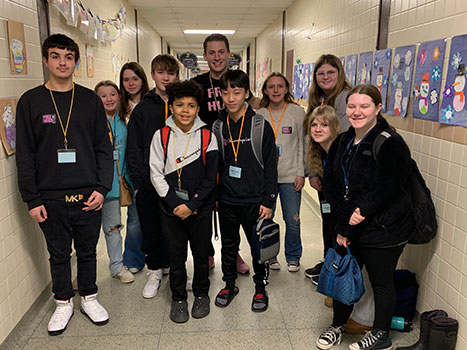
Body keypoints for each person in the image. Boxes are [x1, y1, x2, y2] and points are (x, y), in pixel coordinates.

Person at [16, 34, 113, 335]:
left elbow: (103, 148)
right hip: (49, 195)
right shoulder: (30, 101)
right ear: (45, 60)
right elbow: (25, 153)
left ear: (76, 62)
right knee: (58, 253)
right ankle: (62, 302)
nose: (62, 62)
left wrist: (102, 188)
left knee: (87, 251)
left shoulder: (90, 100)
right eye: (55, 56)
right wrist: (32, 199)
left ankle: (89, 297)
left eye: (68, 57)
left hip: (88, 192)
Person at [316, 84, 414, 350]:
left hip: (384, 227)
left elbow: (387, 187)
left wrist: (358, 215)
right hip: (350, 223)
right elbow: (332, 181)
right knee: (342, 273)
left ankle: (380, 334)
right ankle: (338, 324)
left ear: (378, 109)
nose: (356, 112)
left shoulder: (390, 142)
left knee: (381, 281)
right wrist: (345, 220)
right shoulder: (343, 140)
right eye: (351, 106)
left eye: (364, 106)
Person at [149, 80, 218, 323]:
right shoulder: (161, 136)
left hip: (200, 208)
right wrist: (173, 204)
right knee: (176, 256)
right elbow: (156, 174)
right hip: (170, 209)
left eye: (191, 105)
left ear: (198, 108)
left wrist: (192, 205)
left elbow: (211, 178)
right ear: (171, 107)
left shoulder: (208, 136)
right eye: (180, 105)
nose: (185, 110)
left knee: (201, 255)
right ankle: (178, 298)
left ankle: (201, 294)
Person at [192, 33, 259, 274]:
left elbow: (254, 105)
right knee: (205, 207)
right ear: (205, 56)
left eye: (221, 52)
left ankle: (235, 253)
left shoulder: (237, 82)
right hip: (202, 156)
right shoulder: (198, 84)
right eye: (212, 52)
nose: (217, 57)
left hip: (233, 153)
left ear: (229, 54)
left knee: (232, 210)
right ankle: (208, 252)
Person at [213, 70, 277, 313]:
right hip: (227, 199)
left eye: (237, 92)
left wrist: (269, 200)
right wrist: (216, 197)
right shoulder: (219, 126)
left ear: (247, 94)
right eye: (226, 92)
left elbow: (271, 165)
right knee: (229, 246)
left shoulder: (260, 125)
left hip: (255, 199)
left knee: (257, 246)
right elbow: (216, 165)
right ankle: (229, 284)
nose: (231, 98)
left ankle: (260, 287)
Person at [126, 54, 179, 298]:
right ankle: (155, 270)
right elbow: (134, 148)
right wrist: (138, 182)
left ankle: (176, 269)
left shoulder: (184, 103)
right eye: (160, 72)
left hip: (176, 182)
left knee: (176, 230)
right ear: (153, 75)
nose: (166, 77)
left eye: (170, 73)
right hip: (148, 183)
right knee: (151, 229)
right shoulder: (143, 110)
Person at [304, 53, 352, 283]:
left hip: (339, 175)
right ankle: (328, 261)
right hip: (323, 171)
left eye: (330, 72)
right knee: (327, 219)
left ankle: (337, 268)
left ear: (339, 73)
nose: (325, 77)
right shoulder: (318, 99)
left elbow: (342, 138)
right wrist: (314, 172)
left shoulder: (344, 98)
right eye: (320, 73)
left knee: (338, 223)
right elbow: (313, 138)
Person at [256, 72, 305, 272]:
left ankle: (293, 257)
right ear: (265, 91)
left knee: (292, 220)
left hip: (290, 176)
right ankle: (270, 256)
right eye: (271, 87)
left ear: (286, 89)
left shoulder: (297, 112)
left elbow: (303, 144)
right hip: (266, 178)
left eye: (280, 86)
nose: (276, 90)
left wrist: (301, 172)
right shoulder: (259, 115)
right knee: (267, 219)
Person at [94, 80, 140, 283]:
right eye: (103, 95)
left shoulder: (124, 122)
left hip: (121, 183)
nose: (109, 99)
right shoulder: (92, 123)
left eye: (112, 94)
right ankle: (84, 273)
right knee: (89, 233)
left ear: (119, 97)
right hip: (98, 186)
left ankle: (117, 266)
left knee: (114, 228)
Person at [118, 62, 149, 274]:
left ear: (143, 80)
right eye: (126, 79)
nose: (130, 83)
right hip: (128, 168)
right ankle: (133, 258)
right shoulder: (119, 107)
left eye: (135, 79)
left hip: (149, 167)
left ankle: (157, 256)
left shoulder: (151, 103)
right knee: (135, 217)